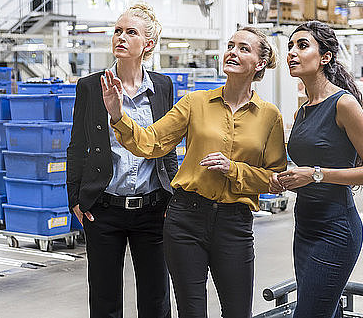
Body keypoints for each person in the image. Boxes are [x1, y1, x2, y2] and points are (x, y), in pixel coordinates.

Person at [102, 26, 287, 318]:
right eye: (230, 45)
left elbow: (276, 180)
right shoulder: (195, 103)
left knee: (238, 312)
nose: (233, 52)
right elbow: (151, 143)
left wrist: (234, 170)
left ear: (260, 63)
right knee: (191, 312)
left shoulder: (269, 116)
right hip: (186, 219)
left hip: (234, 224)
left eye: (243, 48)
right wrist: (117, 115)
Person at [66, 2, 178, 318]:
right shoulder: (90, 86)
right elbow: (77, 145)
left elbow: (166, 145)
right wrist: (75, 197)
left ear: (148, 44)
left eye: (131, 32)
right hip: (103, 208)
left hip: (153, 208)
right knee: (104, 300)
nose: (121, 37)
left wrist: (174, 194)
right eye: (118, 30)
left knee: (156, 299)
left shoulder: (162, 86)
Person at [271, 21, 363, 318]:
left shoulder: (343, 104)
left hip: (337, 228)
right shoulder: (302, 111)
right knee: (327, 311)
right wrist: (286, 179)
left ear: (325, 57)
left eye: (302, 45)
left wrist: (316, 174)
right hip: (305, 225)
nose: (292, 53)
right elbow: (305, 166)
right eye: (290, 47)